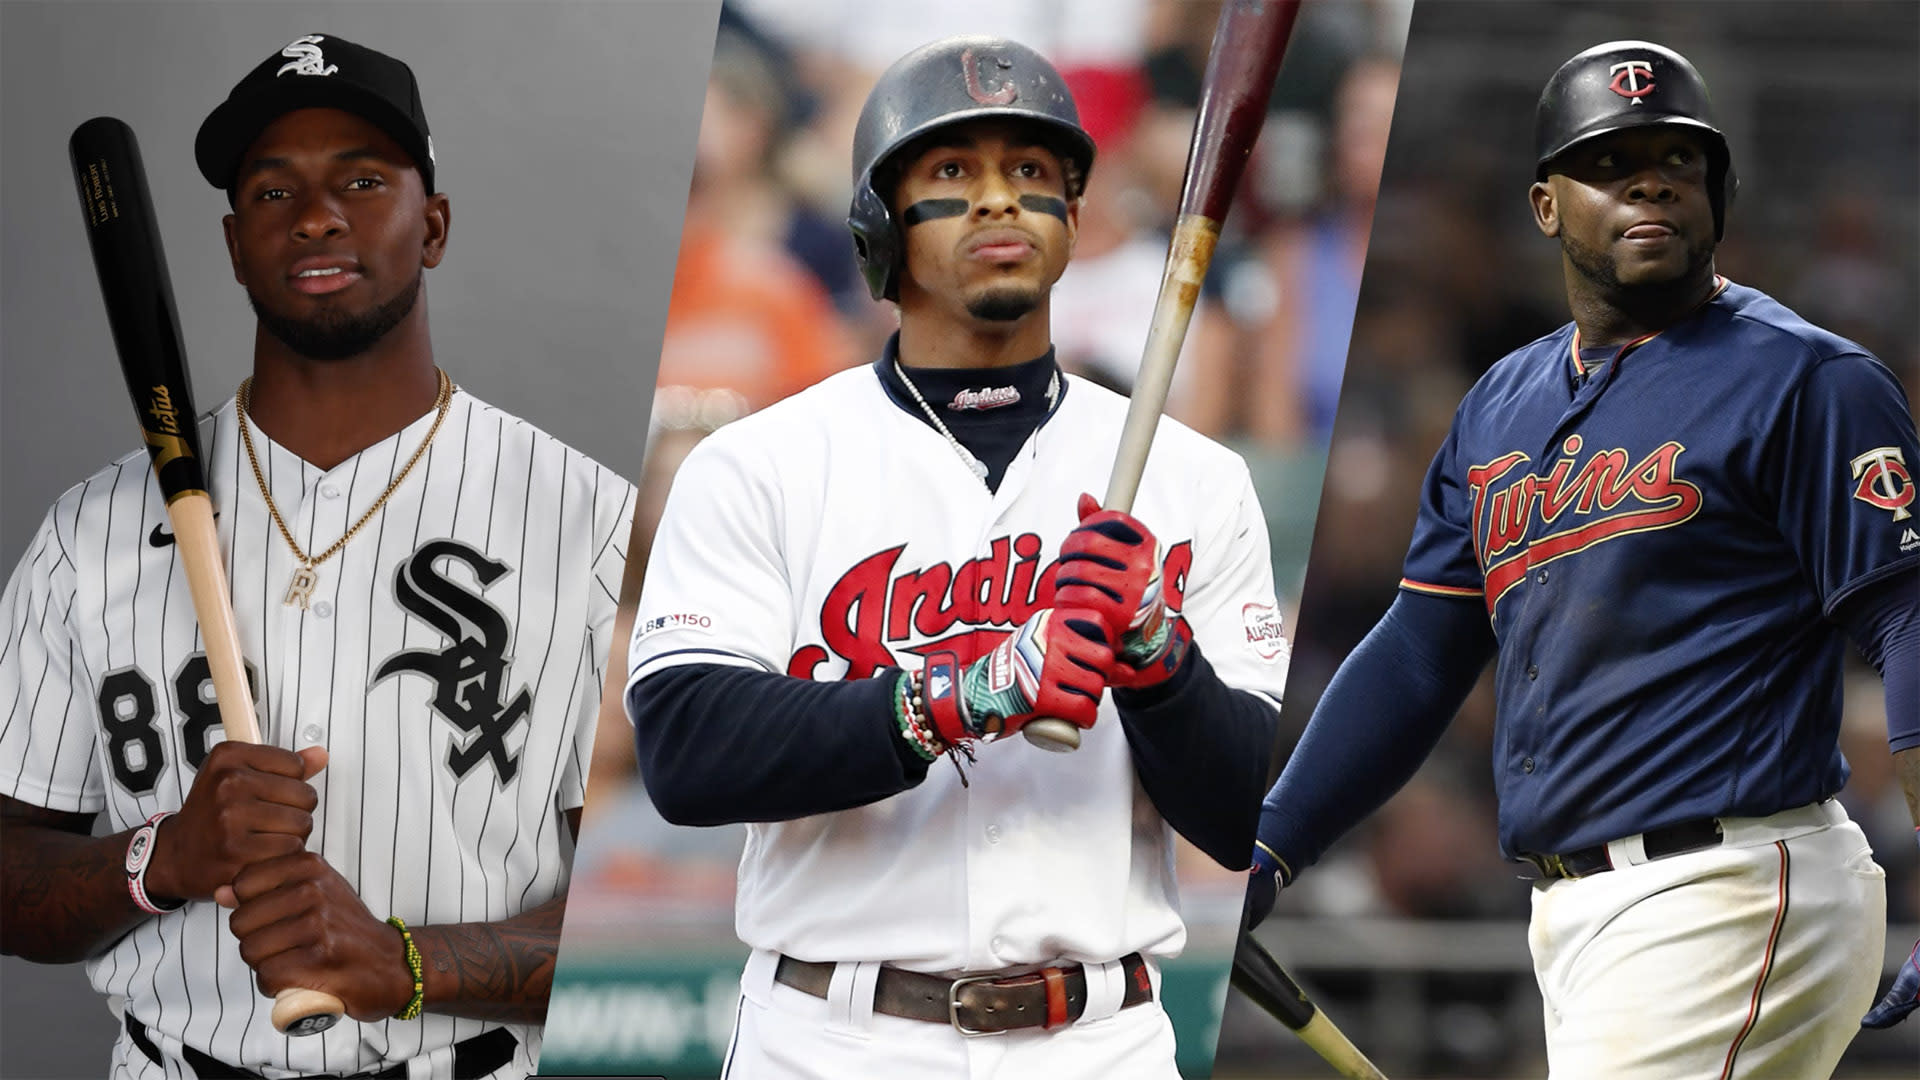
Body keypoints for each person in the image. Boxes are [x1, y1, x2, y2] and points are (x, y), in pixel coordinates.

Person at [1245, 40, 1918, 1077]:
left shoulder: (1809, 379)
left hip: (1729, 887)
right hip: (1581, 913)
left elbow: (1908, 619)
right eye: (1610, 162)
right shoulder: (1498, 405)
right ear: (1546, 205)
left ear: (1718, 194)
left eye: (1678, 162)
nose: (1650, 180)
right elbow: (1422, 651)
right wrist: (1274, 845)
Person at [625, 36, 1288, 1078]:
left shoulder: (1190, 478)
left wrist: (1160, 658)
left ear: (1074, 219)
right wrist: (966, 690)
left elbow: (1244, 812)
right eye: (952, 173)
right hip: (833, 1035)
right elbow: (687, 749)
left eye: (1030, 173)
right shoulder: (759, 463)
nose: (996, 201)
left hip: (1098, 1040)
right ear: (879, 225)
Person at [0, 35, 633, 1079]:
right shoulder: (90, 536)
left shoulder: (592, 526)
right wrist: (161, 861)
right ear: (236, 245)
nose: (316, 214)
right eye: (272, 190)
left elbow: (659, 920)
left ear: (432, 226)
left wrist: (407, 964)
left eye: (363, 180)